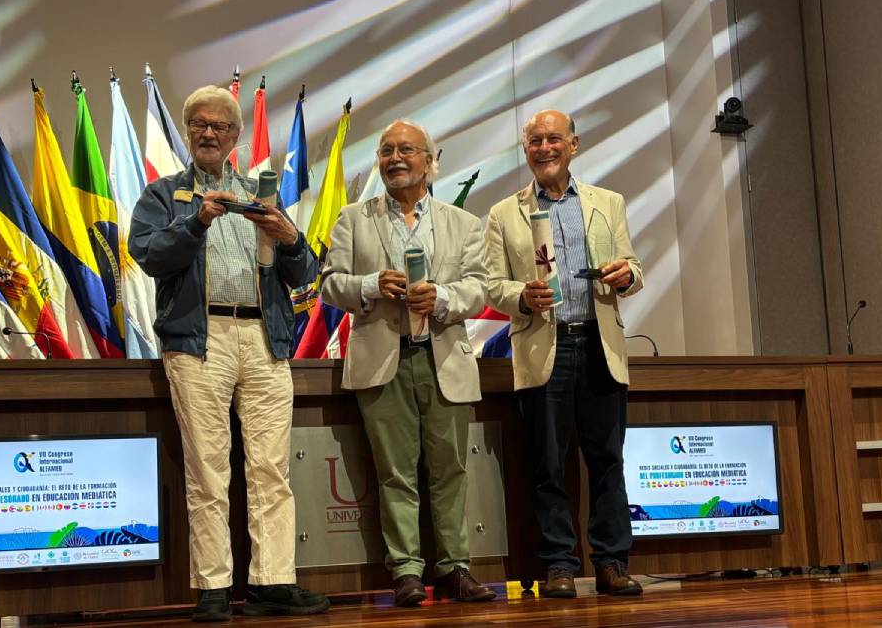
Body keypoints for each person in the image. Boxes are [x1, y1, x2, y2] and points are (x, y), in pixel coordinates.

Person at [129, 85, 329, 622]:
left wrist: (288, 236)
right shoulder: (164, 195)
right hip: (200, 340)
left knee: (271, 469)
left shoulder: (260, 195)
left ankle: (272, 582)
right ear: (188, 132)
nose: (209, 133)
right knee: (208, 470)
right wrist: (197, 220)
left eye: (220, 126)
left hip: (264, 340)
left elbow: (306, 274)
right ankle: (214, 586)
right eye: (199, 124)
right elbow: (147, 254)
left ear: (237, 137)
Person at [320, 120, 495, 607]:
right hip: (382, 359)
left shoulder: (462, 223)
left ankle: (455, 569)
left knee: (449, 470)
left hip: (444, 358)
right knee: (395, 472)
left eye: (406, 150)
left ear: (429, 160)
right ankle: (406, 572)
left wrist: (441, 297)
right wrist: (372, 285)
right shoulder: (353, 218)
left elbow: (479, 287)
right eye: (386, 151)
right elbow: (330, 284)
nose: (395, 158)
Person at [483, 109, 645, 598]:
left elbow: (634, 267)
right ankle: (558, 565)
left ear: (573, 144)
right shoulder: (502, 213)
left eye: (554, 138)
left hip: (599, 342)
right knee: (547, 464)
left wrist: (626, 275)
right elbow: (492, 287)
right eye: (535, 141)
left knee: (607, 461)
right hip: (541, 346)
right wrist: (521, 296)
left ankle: (612, 563)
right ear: (526, 150)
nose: (545, 148)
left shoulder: (607, 203)